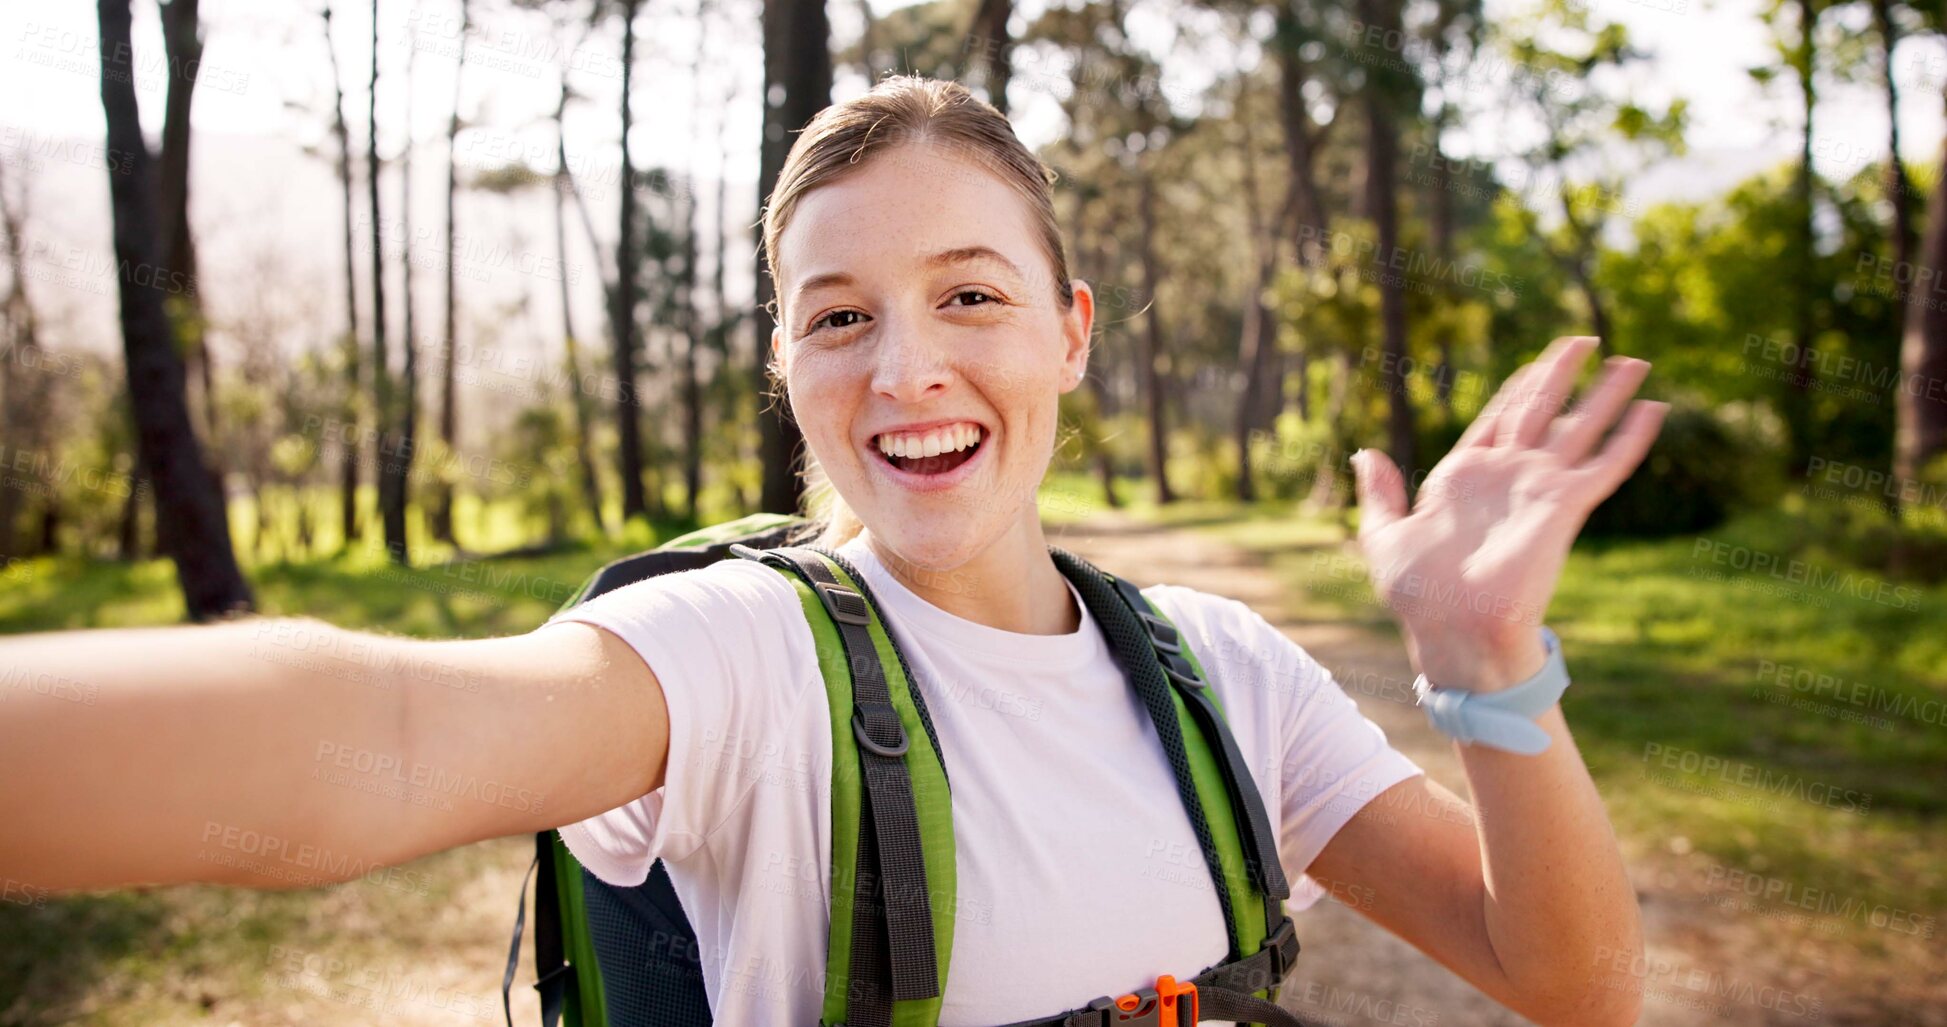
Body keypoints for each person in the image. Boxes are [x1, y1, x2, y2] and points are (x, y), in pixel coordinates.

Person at [0, 76, 1659, 1026]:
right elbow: (374, 737)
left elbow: (1568, 980)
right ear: (787, 366)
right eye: (840, 317)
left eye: (970, 295)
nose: (906, 369)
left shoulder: (1227, 673)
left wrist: (1487, 662)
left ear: (1072, 331)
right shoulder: (746, 656)